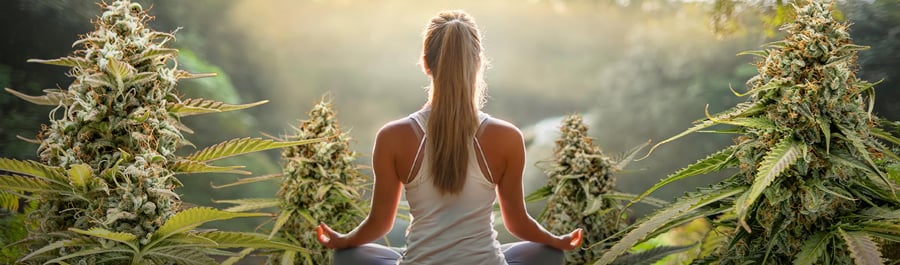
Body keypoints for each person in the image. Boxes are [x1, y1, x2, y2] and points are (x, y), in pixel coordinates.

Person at [316, 10, 583, 265]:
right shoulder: (507, 137)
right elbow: (517, 223)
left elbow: (380, 223)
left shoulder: (392, 137)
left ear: (425, 63)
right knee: (546, 253)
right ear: (478, 64)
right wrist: (557, 241)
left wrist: (343, 241)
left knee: (348, 257)